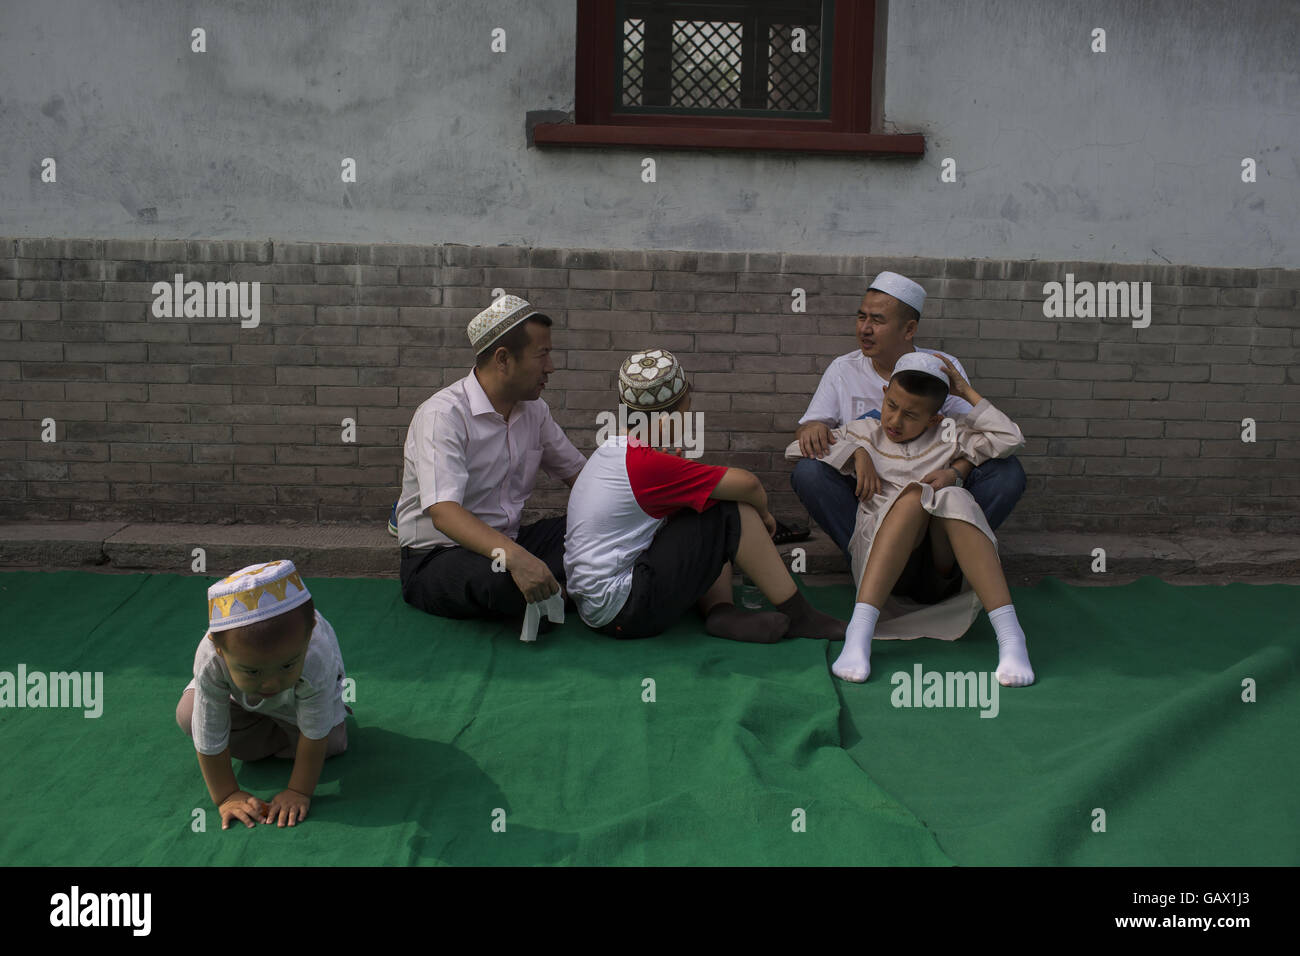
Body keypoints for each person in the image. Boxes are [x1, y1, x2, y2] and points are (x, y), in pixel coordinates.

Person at [783, 353, 1035, 687]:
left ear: (934, 420)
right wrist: (856, 455)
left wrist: (965, 393)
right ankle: (860, 635)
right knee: (915, 497)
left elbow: (1010, 438)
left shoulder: (949, 435)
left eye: (911, 415)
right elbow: (795, 450)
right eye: (891, 405)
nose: (895, 421)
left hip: (939, 570)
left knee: (952, 496)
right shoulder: (863, 434)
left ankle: (1012, 639)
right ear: (884, 393)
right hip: (884, 567)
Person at [565, 348, 847, 643]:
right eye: (686, 414)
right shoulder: (645, 465)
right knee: (730, 509)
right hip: (625, 610)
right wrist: (764, 516)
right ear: (664, 422)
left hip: (599, 608)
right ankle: (801, 617)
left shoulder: (611, 452)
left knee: (701, 501)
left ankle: (720, 611)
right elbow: (748, 484)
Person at [790, 271, 1026, 565]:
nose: (864, 329)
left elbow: (979, 439)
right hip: (871, 497)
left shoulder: (940, 370)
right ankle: (872, 559)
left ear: (909, 329)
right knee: (809, 472)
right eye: (861, 317)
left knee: (1007, 472)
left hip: (934, 495)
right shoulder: (843, 369)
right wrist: (827, 436)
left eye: (877, 321)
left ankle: (949, 559)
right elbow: (811, 432)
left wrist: (956, 473)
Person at [397, 294, 587, 623]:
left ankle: (556, 594)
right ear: (503, 359)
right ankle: (571, 592)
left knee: (595, 528)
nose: (550, 367)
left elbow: (581, 477)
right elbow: (444, 513)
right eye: (542, 355)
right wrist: (516, 559)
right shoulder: (443, 415)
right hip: (441, 556)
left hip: (511, 543)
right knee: (499, 581)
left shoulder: (535, 411)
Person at [175, 560, 351, 829]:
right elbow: (207, 730)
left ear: (308, 637)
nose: (271, 684)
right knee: (189, 716)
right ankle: (286, 739)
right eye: (253, 671)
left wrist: (298, 791)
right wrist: (227, 795)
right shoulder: (210, 657)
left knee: (329, 744)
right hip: (241, 703)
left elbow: (315, 732)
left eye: (287, 665)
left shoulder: (316, 654)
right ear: (220, 650)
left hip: (298, 703)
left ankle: (282, 735)